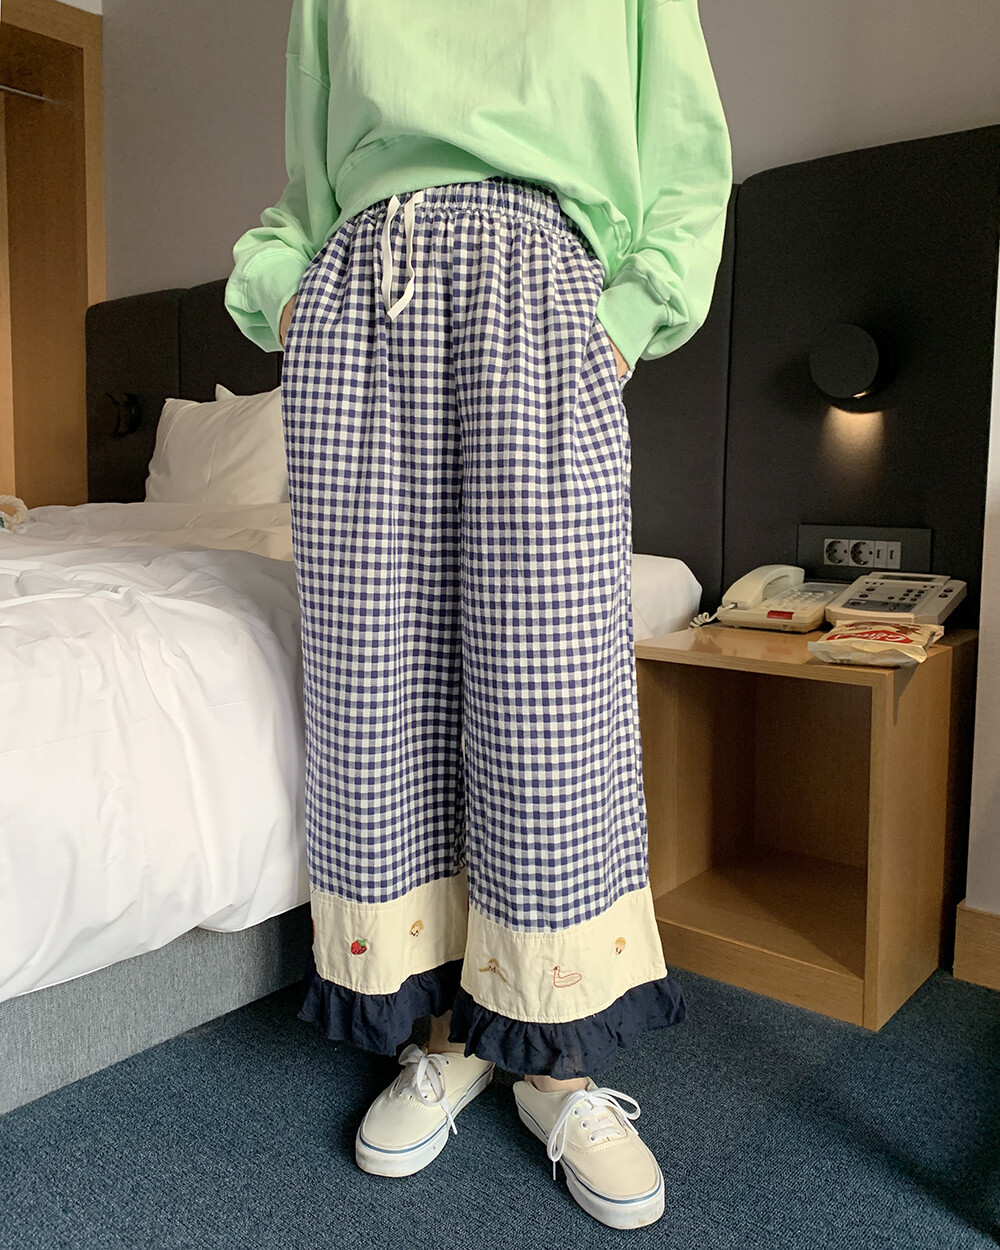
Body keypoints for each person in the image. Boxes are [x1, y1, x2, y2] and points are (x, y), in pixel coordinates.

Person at [226, 0, 731, 1230]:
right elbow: (303, 187)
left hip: (541, 300)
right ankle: (447, 1031)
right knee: (379, 688)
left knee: (545, 701)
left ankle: (555, 1057)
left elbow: (684, 164)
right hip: (365, 312)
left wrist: (618, 322)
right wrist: (292, 298)